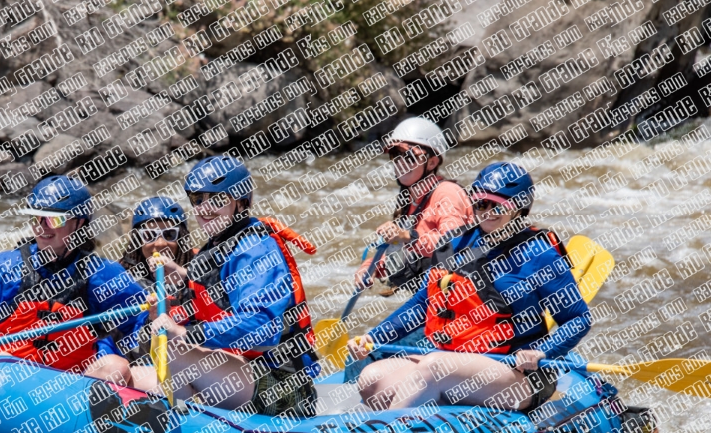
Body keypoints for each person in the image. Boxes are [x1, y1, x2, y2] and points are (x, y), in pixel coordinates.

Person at [347, 162, 592, 413]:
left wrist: (541, 351)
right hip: (449, 361)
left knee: (435, 367)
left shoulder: (539, 254)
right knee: (371, 377)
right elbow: (422, 304)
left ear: (519, 208)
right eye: (481, 204)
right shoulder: (454, 243)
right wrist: (373, 338)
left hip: (514, 372)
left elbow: (579, 318)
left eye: (498, 205)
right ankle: (425, 423)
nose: (488, 212)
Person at [145, 154, 321, 417]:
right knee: (151, 357)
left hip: (283, 388)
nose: (205, 208)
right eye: (197, 199)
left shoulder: (254, 248)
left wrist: (187, 334)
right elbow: (218, 293)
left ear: (240, 203)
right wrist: (182, 277)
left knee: (174, 349)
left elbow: (263, 327)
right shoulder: (219, 245)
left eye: (217, 199)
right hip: (243, 372)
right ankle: (190, 422)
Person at [0, 175, 148, 385]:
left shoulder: (102, 274)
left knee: (115, 366)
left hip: (77, 384)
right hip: (12, 377)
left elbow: (139, 320)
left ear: (79, 223)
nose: (43, 227)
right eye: (37, 218)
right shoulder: (2, 269)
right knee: (2, 356)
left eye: (54, 219)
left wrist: (156, 319)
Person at [353, 117, 474, 296]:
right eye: (395, 155)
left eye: (409, 157)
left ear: (432, 162)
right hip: (431, 299)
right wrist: (369, 268)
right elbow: (400, 251)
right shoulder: (409, 200)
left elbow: (453, 245)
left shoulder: (447, 193)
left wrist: (408, 236)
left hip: (460, 299)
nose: (400, 163)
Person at [114, 196, 197, 366]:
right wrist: (150, 321)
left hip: (191, 359)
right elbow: (123, 344)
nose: (159, 244)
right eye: (149, 235)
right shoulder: (122, 279)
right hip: (145, 365)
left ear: (181, 238)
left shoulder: (200, 270)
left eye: (169, 234)